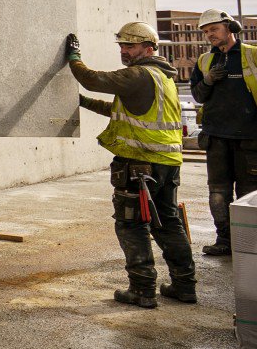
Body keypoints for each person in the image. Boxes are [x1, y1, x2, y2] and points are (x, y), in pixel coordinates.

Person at [66, 23, 195, 308]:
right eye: (122, 46)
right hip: (167, 163)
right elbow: (119, 111)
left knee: (131, 225)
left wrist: (74, 58)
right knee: (168, 224)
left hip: (140, 165)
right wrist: (83, 103)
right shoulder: (163, 77)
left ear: (148, 48)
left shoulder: (138, 74)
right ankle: (184, 285)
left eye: (130, 46)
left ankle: (142, 289)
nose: (124, 51)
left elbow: (92, 79)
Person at [189, 9, 257, 256]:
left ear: (230, 28)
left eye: (214, 29)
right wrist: (207, 80)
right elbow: (197, 96)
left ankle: (252, 243)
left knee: (250, 193)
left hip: (251, 138)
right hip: (216, 138)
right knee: (218, 193)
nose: (210, 35)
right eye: (206, 32)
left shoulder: (255, 56)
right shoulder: (205, 61)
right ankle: (225, 241)